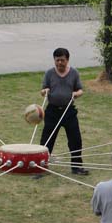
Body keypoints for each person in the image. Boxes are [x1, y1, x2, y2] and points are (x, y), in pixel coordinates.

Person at [39, 47, 89, 176]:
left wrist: (76, 94)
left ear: (67, 60)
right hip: (52, 111)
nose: (59, 63)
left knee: (75, 140)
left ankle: (77, 167)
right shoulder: (49, 73)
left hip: (68, 111)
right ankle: (41, 167)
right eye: (57, 60)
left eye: (62, 60)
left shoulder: (74, 73)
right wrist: (45, 91)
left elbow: (80, 90)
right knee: (47, 140)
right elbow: (43, 90)